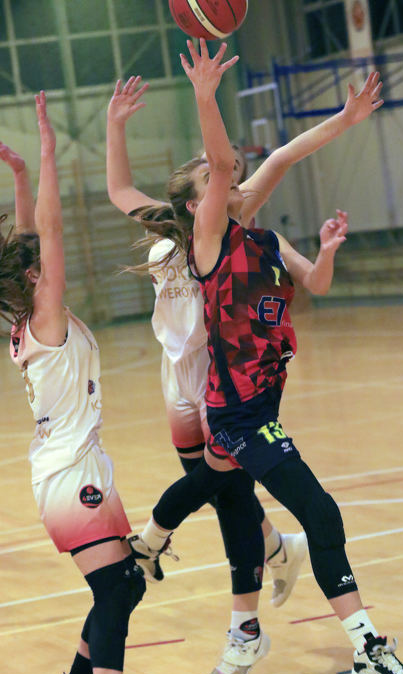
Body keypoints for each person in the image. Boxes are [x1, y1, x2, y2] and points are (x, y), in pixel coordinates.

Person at [123, 40, 403, 674]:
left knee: (214, 487)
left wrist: (344, 124)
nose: (230, 177)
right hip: (236, 412)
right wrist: (205, 96)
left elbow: (308, 253)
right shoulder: (208, 244)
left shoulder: (264, 240)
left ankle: (147, 541)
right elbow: (221, 163)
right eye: (216, 180)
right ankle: (368, 649)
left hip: (258, 403)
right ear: (201, 202)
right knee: (319, 512)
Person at [106, 75, 308, 608]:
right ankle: (278, 548)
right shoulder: (171, 224)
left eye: (221, 170)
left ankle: (172, 550)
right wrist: (115, 125)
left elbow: (277, 161)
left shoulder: (230, 215)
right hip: (175, 370)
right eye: (209, 170)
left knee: (223, 485)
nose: (221, 173)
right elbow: (120, 191)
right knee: (210, 483)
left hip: (220, 368)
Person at [0, 93, 145, 674]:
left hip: (78, 462)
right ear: (35, 277)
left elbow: (31, 238)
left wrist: (21, 175)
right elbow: (51, 231)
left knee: (127, 585)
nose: (50, 260)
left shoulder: (32, 316)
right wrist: (49, 150)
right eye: (42, 263)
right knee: (115, 588)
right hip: (67, 473)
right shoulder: (47, 317)